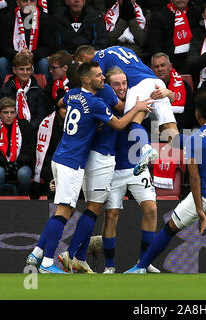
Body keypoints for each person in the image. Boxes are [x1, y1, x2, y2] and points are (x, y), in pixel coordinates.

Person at [26, 60, 153, 273]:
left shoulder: (73, 94)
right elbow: (120, 123)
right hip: (80, 159)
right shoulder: (97, 102)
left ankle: (39, 252)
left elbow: (60, 103)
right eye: (99, 76)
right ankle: (52, 261)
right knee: (72, 210)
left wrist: (76, 117)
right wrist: (138, 107)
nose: (102, 79)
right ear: (87, 79)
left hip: (63, 156)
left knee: (69, 208)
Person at [124, 92, 206, 274]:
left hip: (204, 197)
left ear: (197, 113)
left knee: (170, 227)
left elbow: (194, 177)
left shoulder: (195, 138)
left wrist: (200, 209)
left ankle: (140, 267)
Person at [86, 67, 160, 274]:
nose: (122, 87)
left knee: (152, 209)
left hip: (137, 166)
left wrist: (167, 93)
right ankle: (110, 266)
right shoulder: (102, 105)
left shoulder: (137, 101)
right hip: (113, 170)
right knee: (111, 216)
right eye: (116, 84)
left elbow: (164, 95)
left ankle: (144, 263)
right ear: (108, 86)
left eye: (124, 83)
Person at [74, 45, 179, 175]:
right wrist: (169, 92)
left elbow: (96, 82)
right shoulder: (122, 48)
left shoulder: (98, 58)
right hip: (156, 83)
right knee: (170, 131)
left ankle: (146, 148)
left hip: (138, 84)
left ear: (85, 58)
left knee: (131, 122)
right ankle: (187, 160)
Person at [0, 0, 55, 86]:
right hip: (13, 57)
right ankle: (4, 93)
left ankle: (42, 93)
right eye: (24, 1)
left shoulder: (44, 18)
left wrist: (32, 54)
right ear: (17, 2)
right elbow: (3, 46)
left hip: (36, 58)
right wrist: (16, 55)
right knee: (2, 62)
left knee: (44, 63)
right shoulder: (8, 18)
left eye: (32, 1)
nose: (28, 4)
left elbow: (49, 46)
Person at [0, 97, 35, 196]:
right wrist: (5, 163)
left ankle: (24, 204)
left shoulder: (25, 126)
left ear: (16, 113)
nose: (9, 116)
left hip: (22, 164)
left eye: (12, 112)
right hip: (1, 164)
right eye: (5, 112)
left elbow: (30, 150)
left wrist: (17, 163)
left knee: (23, 174)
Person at [145, 0, 200, 73]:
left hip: (191, 61)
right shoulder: (159, 15)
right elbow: (154, 44)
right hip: (168, 62)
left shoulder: (195, 13)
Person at [0, 52, 47, 132]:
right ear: (14, 70)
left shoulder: (38, 90)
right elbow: (1, 114)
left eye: (28, 69)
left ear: (32, 70)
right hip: (10, 130)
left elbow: (40, 117)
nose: (25, 73)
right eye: (21, 69)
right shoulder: (5, 90)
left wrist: (28, 128)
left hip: (32, 131)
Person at [151, 52, 198, 131]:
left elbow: (189, 113)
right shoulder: (148, 86)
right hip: (156, 130)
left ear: (170, 67)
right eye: (156, 67)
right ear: (152, 69)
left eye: (163, 65)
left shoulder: (184, 86)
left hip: (181, 129)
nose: (160, 69)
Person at [104, 0, 149, 65]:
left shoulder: (145, 13)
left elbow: (142, 41)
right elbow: (108, 40)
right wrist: (123, 19)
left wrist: (131, 18)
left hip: (138, 55)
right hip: (114, 53)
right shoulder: (107, 14)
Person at [42, 51, 73, 116]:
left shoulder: (74, 85)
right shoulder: (50, 86)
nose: (50, 71)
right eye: (50, 67)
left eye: (54, 68)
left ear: (65, 68)